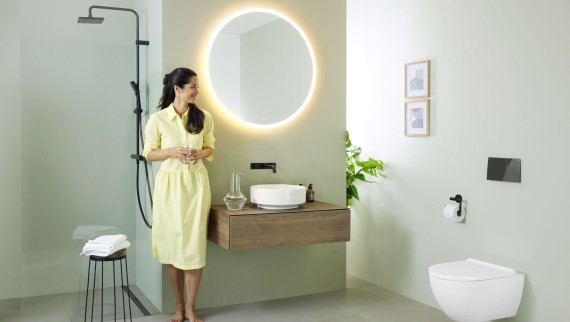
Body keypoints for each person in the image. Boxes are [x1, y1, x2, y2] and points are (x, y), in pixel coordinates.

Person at [142, 67, 215, 322]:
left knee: (194, 247)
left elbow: (210, 146)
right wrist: (171, 151)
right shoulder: (158, 119)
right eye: (193, 86)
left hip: (196, 185)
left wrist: (199, 154)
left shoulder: (204, 116)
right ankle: (179, 306)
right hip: (169, 187)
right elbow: (149, 153)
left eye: (197, 86)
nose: (197, 91)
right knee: (173, 247)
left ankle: (192, 308)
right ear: (178, 89)